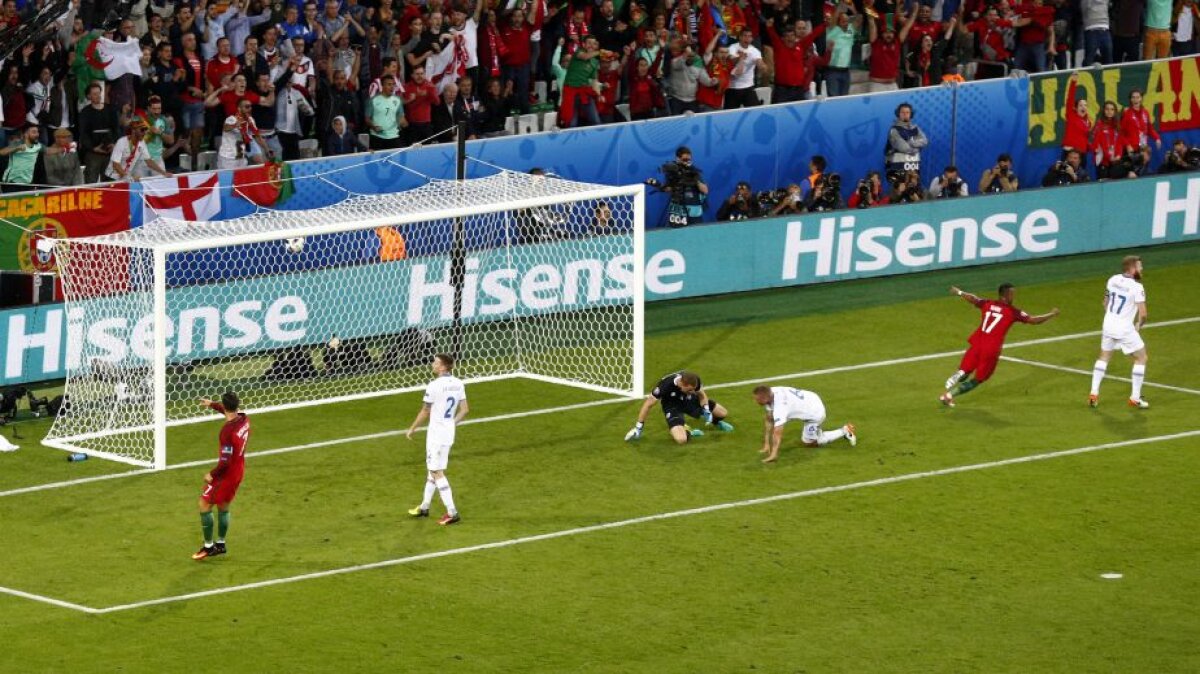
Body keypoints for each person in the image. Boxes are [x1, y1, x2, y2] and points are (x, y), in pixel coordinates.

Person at [940, 284, 1060, 407]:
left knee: (965, 370)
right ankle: (949, 396)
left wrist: (959, 292)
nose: (1013, 296)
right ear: (1006, 295)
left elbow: (973, 299)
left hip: (977, 342)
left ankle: (960, 373)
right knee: (978, 379)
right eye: (1012, 294)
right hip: (991, 348)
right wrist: (1051, 314)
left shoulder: (988, 303)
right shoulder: (1013, 312)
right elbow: (1033, 320)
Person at [406, 353, 468, 526]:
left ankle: (452, 512)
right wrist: (451, 423)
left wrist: (412, 428)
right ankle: (424, 507)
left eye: (436, 362)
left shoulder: (433, 385)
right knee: (432, 470)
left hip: (436, 435)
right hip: (448, 433)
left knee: (436, 472)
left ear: (443, 367)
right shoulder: (458, 383)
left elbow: (425, 411)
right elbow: (465, 409)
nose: (433, 364)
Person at [191, 391, 250, 560]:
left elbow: (225, 462)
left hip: (226, 474)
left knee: (204, 504)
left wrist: (211, 474)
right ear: (237, 405)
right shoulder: (244, 419)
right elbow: (228, 411)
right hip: (239, 470)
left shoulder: (227, 432)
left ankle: (208, 547)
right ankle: (221, 544)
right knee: (223, 507)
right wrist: (212, 404)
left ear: (225, 406)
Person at [1089, 255, 1150, 408]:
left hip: (1108, 324)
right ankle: (1135, 398)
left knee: (1104, 357)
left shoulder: (1113, 279)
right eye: (1139, 266)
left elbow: (1105, 302)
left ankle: (1093, 393)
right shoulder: (1137, 287)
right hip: (1124, 328)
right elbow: (1143, 314)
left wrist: (1113, 318)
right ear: (1132, 268)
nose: (1142, 269)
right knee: (1141, 358)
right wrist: (1139, 325)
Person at [625, 370, 734, 445]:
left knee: (722, 413)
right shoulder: (664, 386)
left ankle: (716, 422)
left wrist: (706, 409)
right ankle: (689, 432)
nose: (693, 391)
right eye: (690, 389)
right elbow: (647, 405)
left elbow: (701, 395)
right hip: (672, 406)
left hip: (689, 399)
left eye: (693, 389)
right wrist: (638, 427)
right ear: (681, 384)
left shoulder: (693, 381)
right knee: (681, 440)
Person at [752, 385, 856, 464]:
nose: (755, 401)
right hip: (811, 398)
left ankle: (845, 430)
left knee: (809, 443)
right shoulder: (772, 391)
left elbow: (777, 432)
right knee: (771, 417)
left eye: (757, 399)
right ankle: (819, 432)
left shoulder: (780, 407)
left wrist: (774, 454)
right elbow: (769, 418)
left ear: (765, 398)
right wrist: (766, 444)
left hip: (815, 413)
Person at [107, 119, 172, 181]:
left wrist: (164, 173)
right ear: (133, 131)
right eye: (142, 130)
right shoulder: (121, 142)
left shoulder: (142, 143)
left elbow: (149, 161)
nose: (144, 133)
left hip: (125, 178)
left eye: (146, 130)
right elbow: (115, 164)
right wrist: (127, 177)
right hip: (113, 177)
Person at [885, 102, 928, 178]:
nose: (905, 114)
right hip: (898, 166)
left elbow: (925, 141)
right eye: (903, 112)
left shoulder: (915, 128)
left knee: (914, 184)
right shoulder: (894, 130)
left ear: (911, 114)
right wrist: (917, 148)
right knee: (900, 185)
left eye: (907, 112)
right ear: (898, 114)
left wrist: (911, 143)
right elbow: (904, 148)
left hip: (914, 165)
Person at [0, 125, 42, 192]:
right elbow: (2, 152)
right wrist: (16, 148)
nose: (37, 134)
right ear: (26, 134)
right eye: (34, 132)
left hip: (27, 182)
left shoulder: (38, 146)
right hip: (11, 182)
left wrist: (60, 148)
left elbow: (49, 150)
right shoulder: (17, 143)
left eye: (37, 132)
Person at [1063, 72, 1091, 156]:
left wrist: (1091, 147)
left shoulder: (1088, 122)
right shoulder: (1071, 115)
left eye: (1085, 105)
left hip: (1082, 153)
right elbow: (1070, 98)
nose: (1083, 107)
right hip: (1070, 152)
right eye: (1081, 105)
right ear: (1075, 108)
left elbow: (1084, 139)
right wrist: (1073, 82)